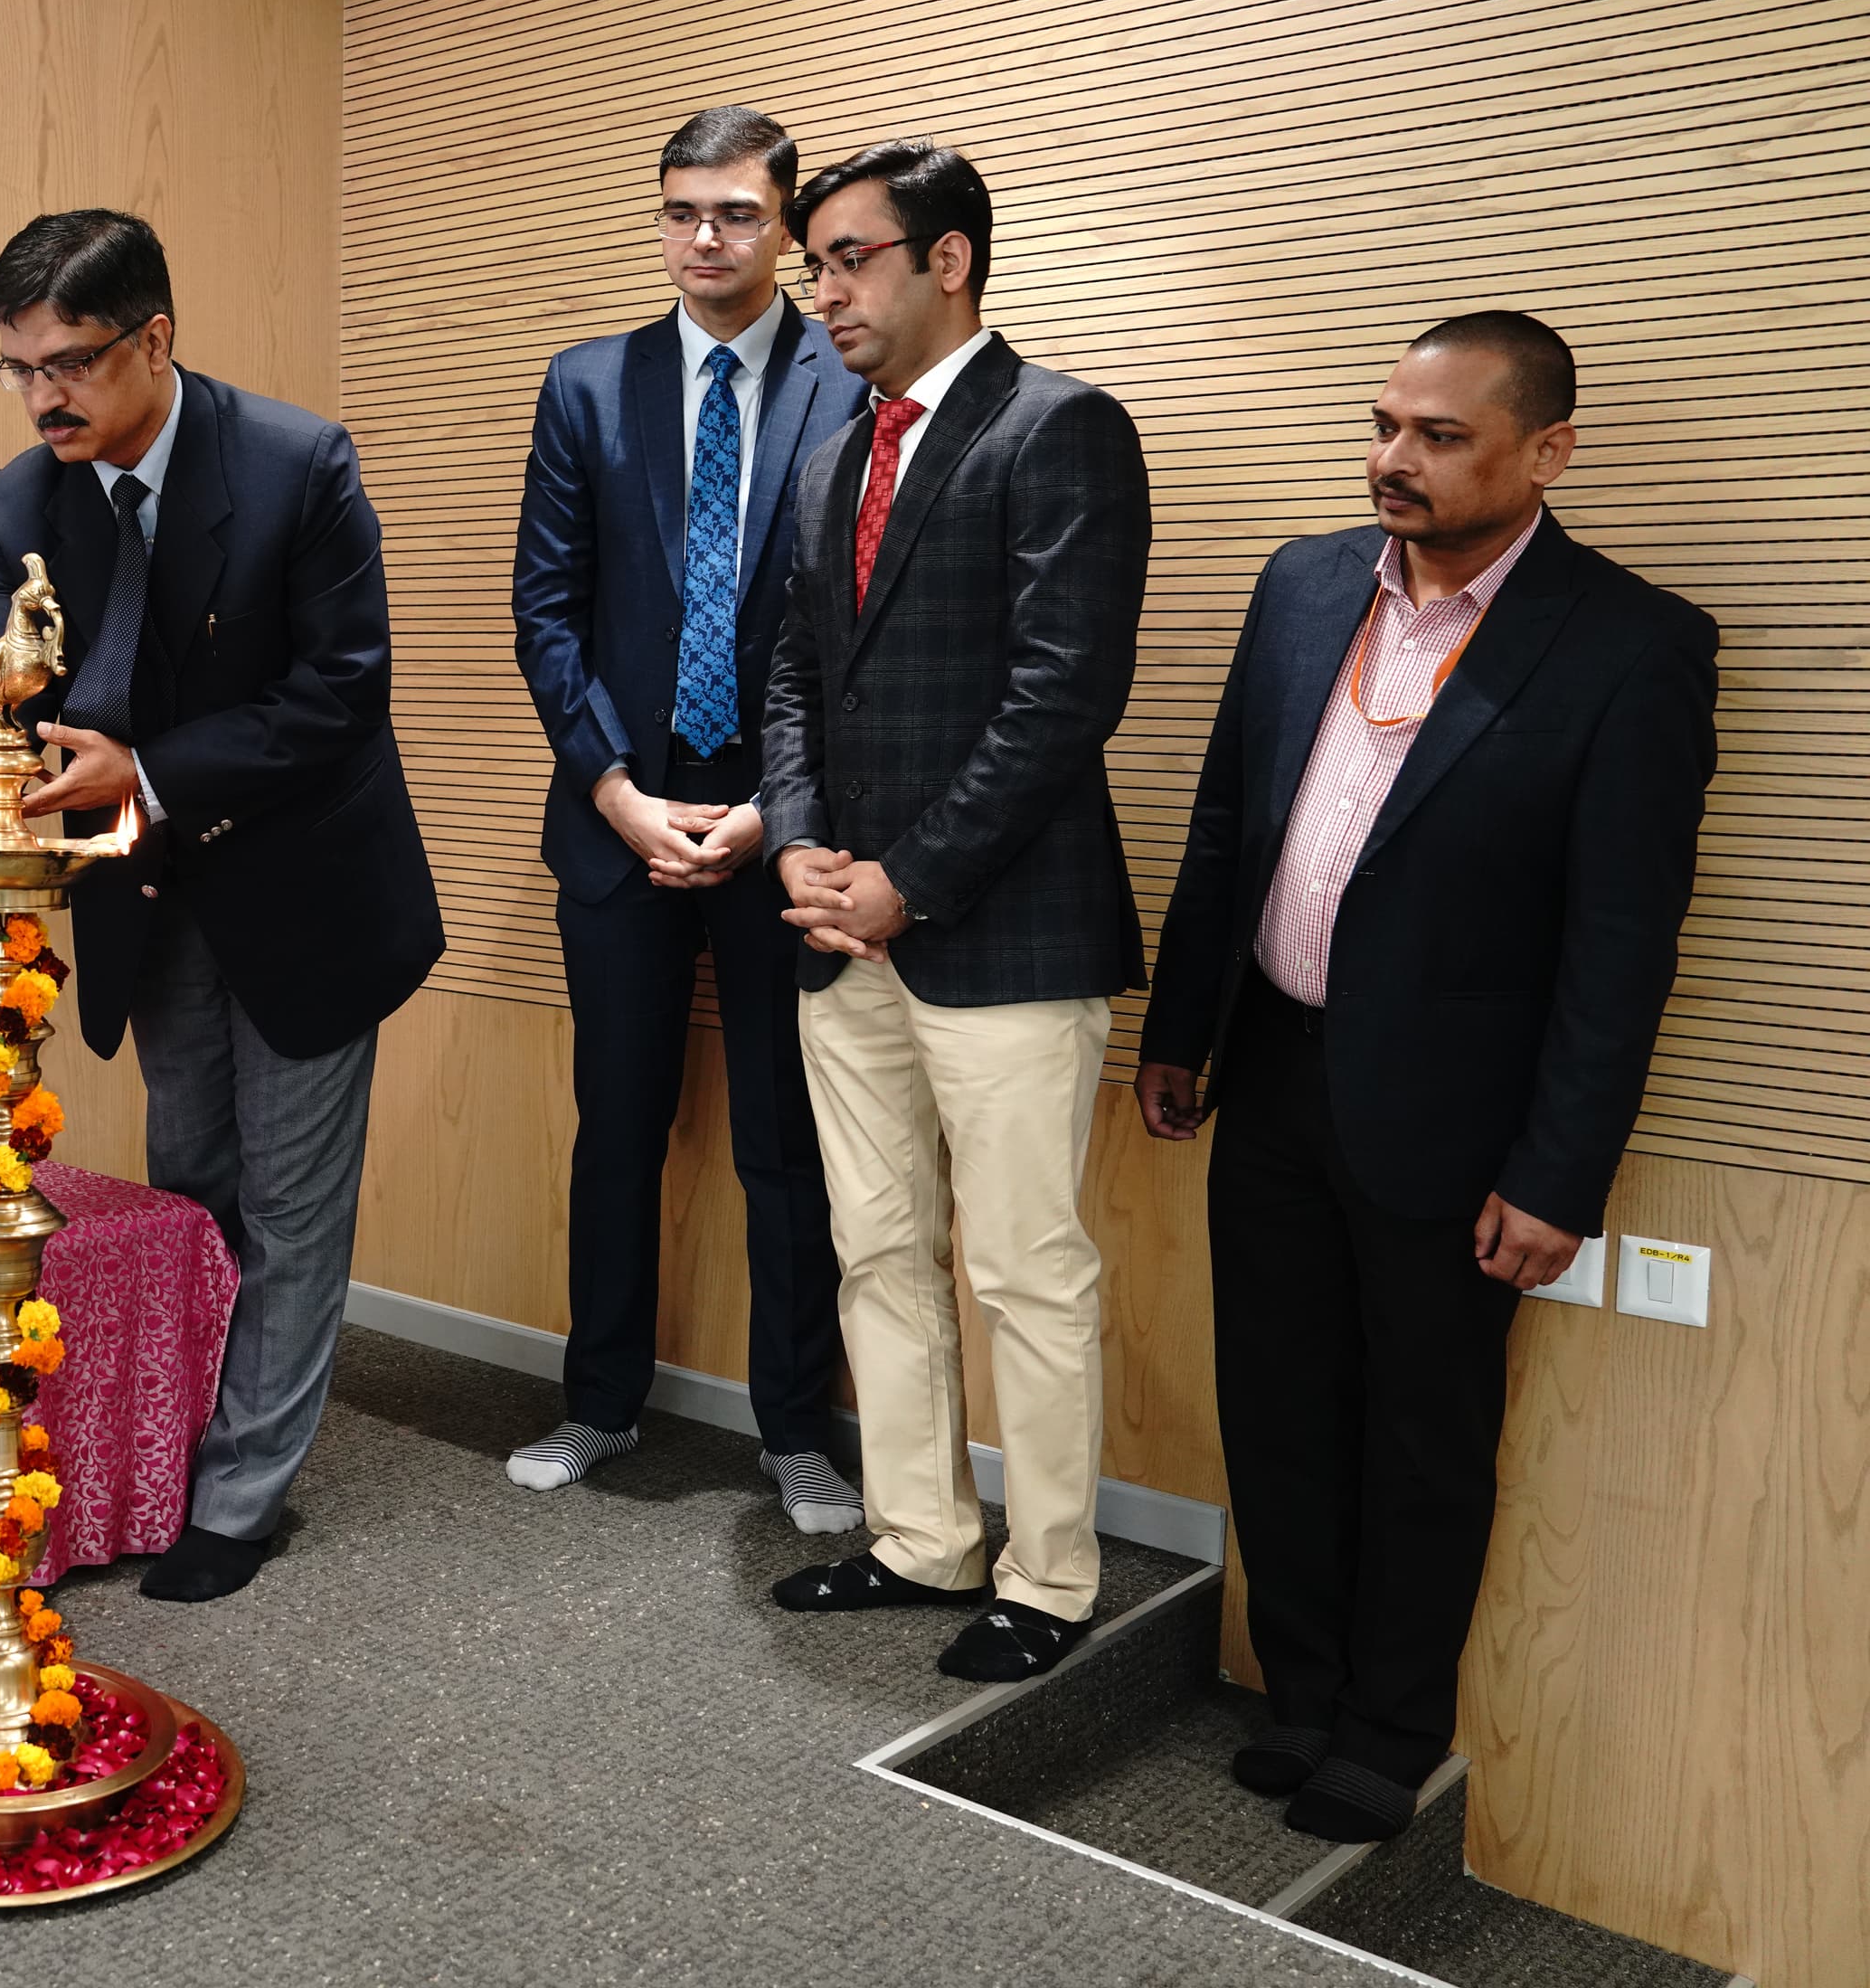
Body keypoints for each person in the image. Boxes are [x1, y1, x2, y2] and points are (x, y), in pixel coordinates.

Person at [1135, 314, 1715, 1841]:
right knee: (1279, 1403)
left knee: (1424, 1430)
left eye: (1442, 435)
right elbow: (1224, 824)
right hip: (1272, 1064)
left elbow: (1621, 945)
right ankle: (1302, 1695)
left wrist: (1560, 1171)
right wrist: (1182, 1029)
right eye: (1386, 424)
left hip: (1456, 1119)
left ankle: (1388, 1731)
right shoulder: (1306, 582)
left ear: (1547, 452)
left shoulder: (1631, 646)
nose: (1395, 458)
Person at [0, 209, 442, 1602]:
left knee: (294, 1206)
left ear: (155, 341)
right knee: (195, 1193)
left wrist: (152, 768)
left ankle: (241, 1502)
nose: (44, 395)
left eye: (69, 361)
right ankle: (179, 1449)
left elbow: (338, 695)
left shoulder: (296, 464)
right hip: (151, 892)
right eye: (17, 367)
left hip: (304, 889)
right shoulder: (26, 497)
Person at [753, 140, 1153, 1682]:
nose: (827, 291)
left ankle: (1050, 1577)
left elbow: (1066, 698)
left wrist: (907, 879)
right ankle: (923, 1539)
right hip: (836, 929)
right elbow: (794, 674)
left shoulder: (1061, 429)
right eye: (817, 266)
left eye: (850, 258)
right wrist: (797, 846)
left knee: (1025, 1270)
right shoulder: (832, 452)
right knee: (878, 1251)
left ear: (951, 261)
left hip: (1000, 930)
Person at [505, 106, 869, 1522]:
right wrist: (613, 791)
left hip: (791, 833)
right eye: (679, 212)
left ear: (784, 226)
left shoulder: (849, 385)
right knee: (619, 1126)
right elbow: (546, 613)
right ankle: (599, 1402)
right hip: (620, 821)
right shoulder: (587, 385)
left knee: (788, 1141)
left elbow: (855, 633)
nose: (704, 239)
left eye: (734, 213)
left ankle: (795, 1430)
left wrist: (776, 808)